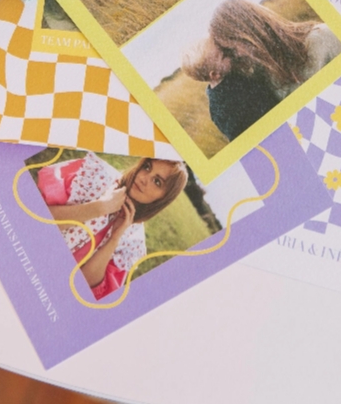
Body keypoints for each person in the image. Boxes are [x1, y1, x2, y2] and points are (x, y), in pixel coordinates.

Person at [36, 152, 188, 300]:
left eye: (157, 181)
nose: (143, 178)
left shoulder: (133, 243)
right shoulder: (94, 176)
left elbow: (83, 286)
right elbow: (37, 218)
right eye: (147, 167)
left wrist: (114, 239)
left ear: (162, 199)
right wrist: (100, 207)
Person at [209, 0, 341, 100]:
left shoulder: (324, 38)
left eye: (234, 47)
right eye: (229, 52)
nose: (238, 54)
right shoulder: (261, 76)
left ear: (249, 30)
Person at [182, 36, 280, 141]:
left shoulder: (227, 77)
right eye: (224, 55)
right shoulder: (224, 105)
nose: (229, 53)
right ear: (215, 75)